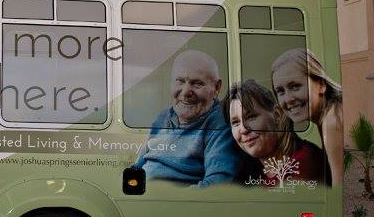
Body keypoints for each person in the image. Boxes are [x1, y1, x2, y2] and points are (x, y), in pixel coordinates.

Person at [132, 49, 242, 186]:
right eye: (180, 81)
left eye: (197, 83)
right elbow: (137, 167)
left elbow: (215, 186)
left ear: (216, 87)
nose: (185, 92)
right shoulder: (163, 117)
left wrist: (164, 196)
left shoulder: (220, 126)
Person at [225, 80, 326, 187]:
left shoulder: (305, 161)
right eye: (235, 122)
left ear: (277, 115)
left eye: (251, 117)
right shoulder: (247, 169)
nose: (243, 129)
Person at [270, 48, 343, 186]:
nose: (288, 99)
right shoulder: (326, 116)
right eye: (280, 91)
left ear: (321, 85)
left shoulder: (332, 121)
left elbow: (338, 188)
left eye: (295, 86)